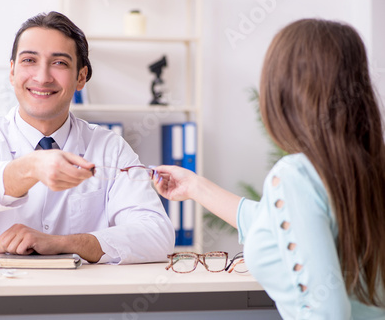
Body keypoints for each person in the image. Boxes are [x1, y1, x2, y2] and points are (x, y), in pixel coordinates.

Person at [153, 19, 385, 319]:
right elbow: (279, 222)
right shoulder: (368, 167)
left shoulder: (294, 176)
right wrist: (195, 187)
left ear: (284, 92)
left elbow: (326, 310)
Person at [0, 11, 175, 264]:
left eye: (60, 63)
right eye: (29, 60)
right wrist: (31, 168)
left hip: (76, 301)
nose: (42, 77)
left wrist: (62, 244)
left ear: (81, 77)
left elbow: (156, 235)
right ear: (12, 72)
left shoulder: (110, 148)